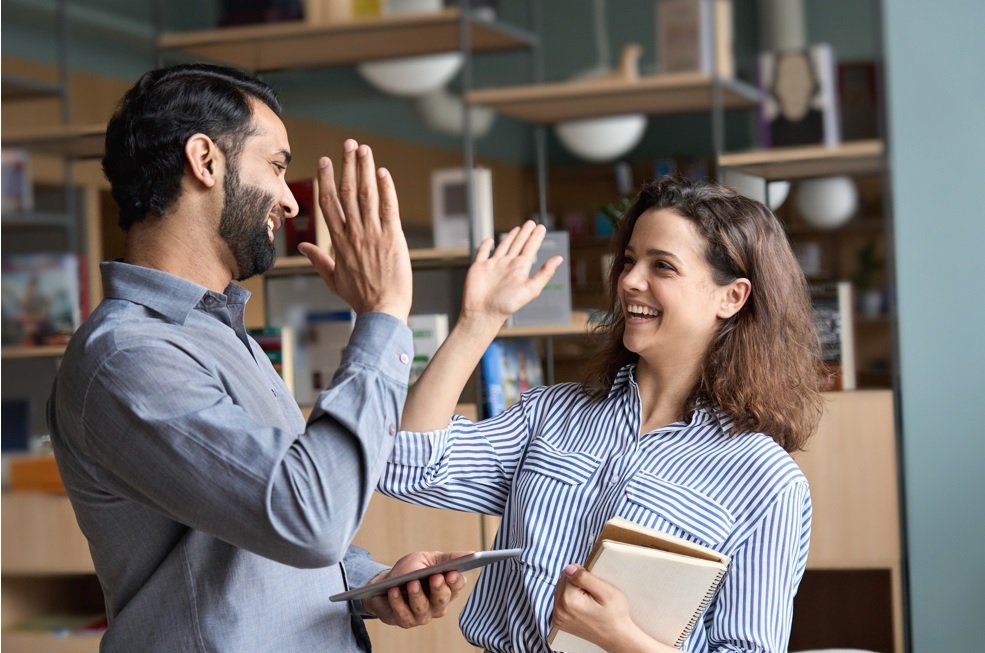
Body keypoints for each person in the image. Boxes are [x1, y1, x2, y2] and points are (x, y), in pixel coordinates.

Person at [46, 63, 467, 653]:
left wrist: (369, 582)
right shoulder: (127, 357)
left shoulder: (222, 333)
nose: (289, 203)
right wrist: (383, 314)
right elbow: (310, 516)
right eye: (275, 166)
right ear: (205, 160)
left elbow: (262, 519)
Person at [378, 177, 826, 652]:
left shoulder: (768, 483)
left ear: (731, 297)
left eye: (663, 266)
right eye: (630, 260)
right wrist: (478, 321)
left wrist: (619, 639)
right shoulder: (551, 414)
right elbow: (408, 465)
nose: (630, 280)